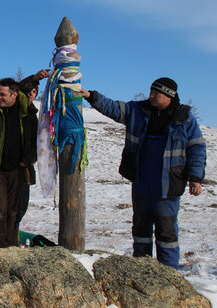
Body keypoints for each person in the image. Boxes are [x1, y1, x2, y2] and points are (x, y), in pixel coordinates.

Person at [81, 77, 206, 269]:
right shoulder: (138, 110)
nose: (151, 95)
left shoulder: (185, 118)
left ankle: (168, 274)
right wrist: (92, 96)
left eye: (156, 93)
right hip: (141, 181)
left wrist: (196, 178)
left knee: (166, 233)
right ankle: (141, 270)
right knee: (140, 229)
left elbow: (197, 149)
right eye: (151, 91)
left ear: (169, 96)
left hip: (168, 185)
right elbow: (114, 108)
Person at [0, 70, 49, 252]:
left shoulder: (27, 115)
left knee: (14, 212)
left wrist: (26, 161)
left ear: (14, 95)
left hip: (19, 171)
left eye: (2, 94)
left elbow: (38, 143)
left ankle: (11, 250)